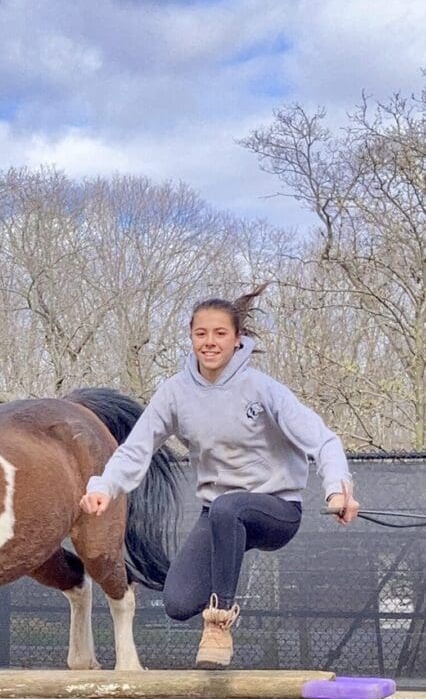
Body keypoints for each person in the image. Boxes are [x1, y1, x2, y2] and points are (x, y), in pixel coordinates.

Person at [79, 285, 360, 669]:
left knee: (230, 508)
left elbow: (323, 440)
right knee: (178, 603)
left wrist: (337, 490)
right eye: (201, 334)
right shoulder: (176, 393)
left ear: (237, 339)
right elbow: (136, 447)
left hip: (275, 510)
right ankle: (210, 590)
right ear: (192, 338)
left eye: (220, 334)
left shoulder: (262, 389)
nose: (209, 342)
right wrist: (104, 487)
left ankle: (219, 623)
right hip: (220, 516)